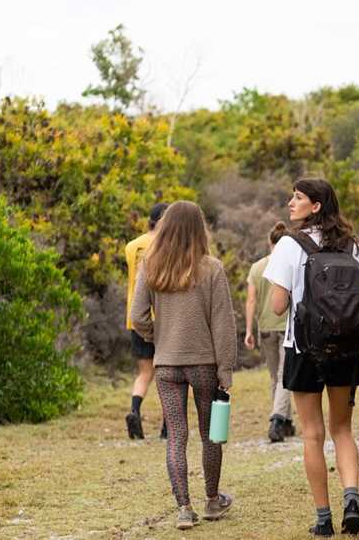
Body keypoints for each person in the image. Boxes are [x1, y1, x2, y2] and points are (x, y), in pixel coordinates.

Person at [263, 178, 359, 537]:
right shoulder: (352, 246)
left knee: (313, 434)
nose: (290, 202)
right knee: (343, 429)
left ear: (315, 206)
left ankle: (324, 518)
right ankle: (352, 502)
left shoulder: (288, 246)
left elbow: (278, 307)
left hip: (304, 349)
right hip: (346, 349)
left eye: (297, 198)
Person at [131, 201, 236, 530]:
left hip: (166, 365)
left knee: (176, 435)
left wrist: (157, 338)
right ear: (199, 228)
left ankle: (184, 509)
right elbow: (223, 324)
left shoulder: (151, 265)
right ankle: (213, 500)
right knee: (210, 435)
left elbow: (136, 317)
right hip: (204, 362)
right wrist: (226, 368)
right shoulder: (212, 268)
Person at [244, 222, 296, 443]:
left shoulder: (257, 267)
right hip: (286, 327)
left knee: (276, 376)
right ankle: (277, 419)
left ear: (270, 242)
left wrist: (248, 330)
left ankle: (287, 422)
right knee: (286, 375)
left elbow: (251, 301)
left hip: (265, 327)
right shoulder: (291, 265)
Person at [124, 202, 169, 440]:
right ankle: (167, 426)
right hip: (162, 318)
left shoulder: (131, 246)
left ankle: (134, 410)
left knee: (144, 372)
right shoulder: (166, 246)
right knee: (166, 374)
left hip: (135, 317)